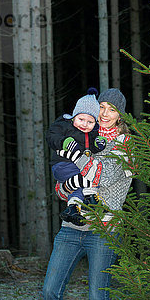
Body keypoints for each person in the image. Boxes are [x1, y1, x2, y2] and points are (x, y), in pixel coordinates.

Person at [25, 88, 132, 300]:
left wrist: (72, 152)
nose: (104, 113)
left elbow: (105, 178)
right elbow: (63, 187)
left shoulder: (125, 144)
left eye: (111, 109)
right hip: (72, 228)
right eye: (102, 107)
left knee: (98, 298)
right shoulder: (86, 135)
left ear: (120, 114)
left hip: (103, 230)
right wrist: (67, 182)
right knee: (49, 290)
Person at [46, 88, 106, 226]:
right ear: (74, 116)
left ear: (95, 123)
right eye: (81, 119)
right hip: (63, 165)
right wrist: (63, 142)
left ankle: (73, 208)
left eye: (90, 122)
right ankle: (91, 196)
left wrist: (98, 144)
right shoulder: (64, 126)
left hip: (77, 168)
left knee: (78, 187)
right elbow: (51, 136)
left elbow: (92, 148)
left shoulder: (91, 134)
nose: (84, 124)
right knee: (89, 176)